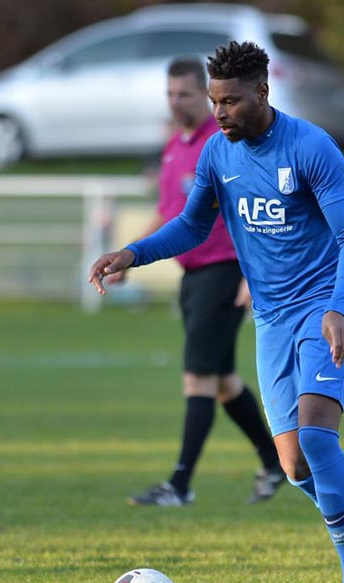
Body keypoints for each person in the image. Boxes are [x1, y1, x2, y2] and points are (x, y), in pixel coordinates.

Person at [89, 41, 344, 583]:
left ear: (263, 92)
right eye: (214, 101)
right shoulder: (218, 154)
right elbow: (192, 226)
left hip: (326, 307)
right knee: (294, 467)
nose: (219, 113)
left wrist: (339, 308)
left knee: (317, 438)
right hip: (270, 317)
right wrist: (133, 253)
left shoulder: (312, 147)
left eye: (232, 101)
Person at [107, 57, 283, 507]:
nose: (177, 102)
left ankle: (179, 485)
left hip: (224, 272)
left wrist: (252, 275)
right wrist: (131, 254)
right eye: (171, 94)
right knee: (223, 382)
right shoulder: (175, 147)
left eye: (185, 94)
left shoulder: (224, 143)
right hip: (193, 276)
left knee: (198, 378)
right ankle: (274, 462)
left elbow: (257, 213)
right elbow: (173, 216)